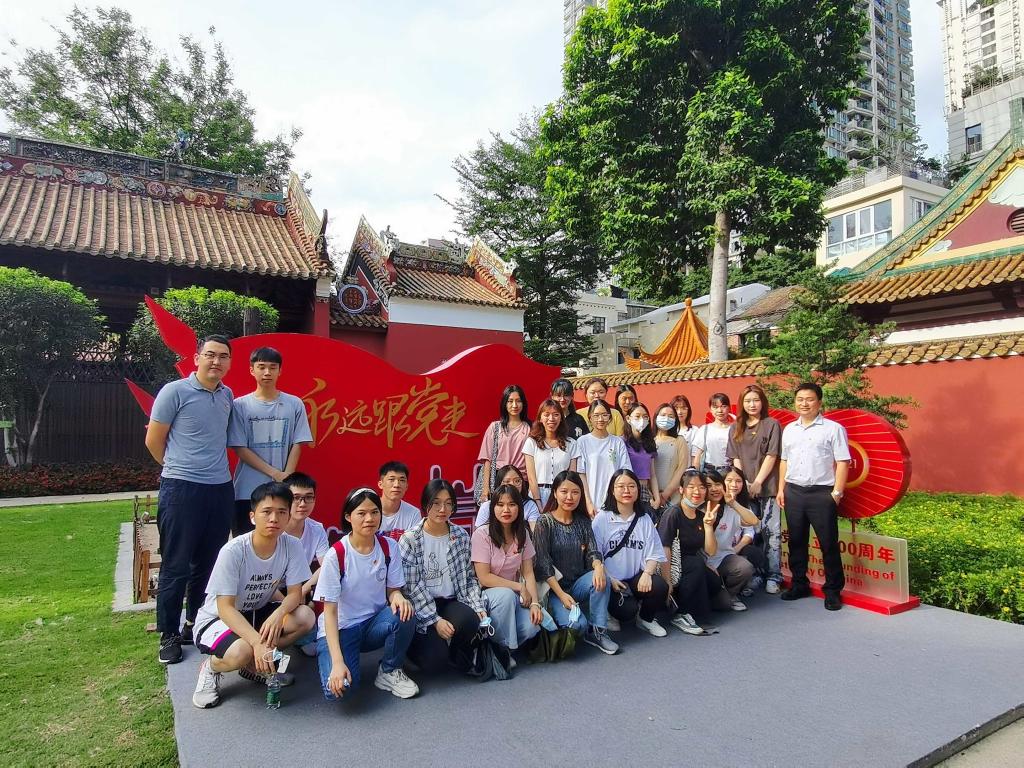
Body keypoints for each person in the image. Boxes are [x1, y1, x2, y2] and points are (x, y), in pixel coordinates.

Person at [145, 334, 236, 664]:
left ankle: (195, 624)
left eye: (223, 356)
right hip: (181, 489)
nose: (216, 361)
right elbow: (154, 440)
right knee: (176, 564)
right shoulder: (174, 392)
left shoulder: (227, 395)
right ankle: (168, 633)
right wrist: (176, 468)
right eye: (210, 355)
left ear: (229, 363)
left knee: (208, 564)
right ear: (197, 358)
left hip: (220, 488)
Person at [191, 482, 315, 709]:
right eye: (266, 512)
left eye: (281, 512)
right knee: (242, 651)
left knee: (305, 617)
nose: (274, 519)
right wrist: (257, 642)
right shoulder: (234, 551)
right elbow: (225, 608)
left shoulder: (292, 545)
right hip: (218, 619)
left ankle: (255, 666)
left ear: (288, 516)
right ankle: (211, 668)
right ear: (252, 516)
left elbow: (295, 594)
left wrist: (278, 614)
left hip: (257, 612)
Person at [314, 487, 419, 701]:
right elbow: (330, 613)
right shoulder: (337, 555)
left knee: (405, 612)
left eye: (374, 512)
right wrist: (337, 663)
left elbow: (393, 590)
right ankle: (336, 658)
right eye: (361, 513)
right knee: (339, 691)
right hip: (341, 628)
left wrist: (398, 596)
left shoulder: (389, 547)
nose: (369, 519)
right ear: (348, 516)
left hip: (373, 624)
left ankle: (389, 670)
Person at [400, 479, 488, 673]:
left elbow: (468, 578)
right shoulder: (410, 539)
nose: (443, 509)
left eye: (448, 503)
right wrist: (435, 620)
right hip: (421, 605)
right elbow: (412, 588)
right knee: (434, 661)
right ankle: (409, 650)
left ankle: (459, 654)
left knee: (470, 620)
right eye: (436, 503)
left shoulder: (460, 536)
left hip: (449, 601)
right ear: (425, 504)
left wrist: (477, 606)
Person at [777, 382, 851, 611]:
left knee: (828, 543)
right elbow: (784, 460)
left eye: (809, 399)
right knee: (796, 541)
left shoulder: (833, 429)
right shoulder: (789, 429)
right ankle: (799, 584)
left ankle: (833, 590)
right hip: (794, 491)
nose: (804, 404)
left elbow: (843, 462)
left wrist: (837, 493)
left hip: (821, 493)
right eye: (800, 399)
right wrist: (781, 489)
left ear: (819, 402)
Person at [228, 346, 314, 537]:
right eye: (261, 367)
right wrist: (275, 473)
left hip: (283, 491)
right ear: (252, 370)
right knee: (246, 542)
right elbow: (240, 448)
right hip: (247, 491)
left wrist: (287, 477)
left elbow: (298, 442)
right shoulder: (240, 405)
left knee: (280, 542)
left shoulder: (294, 404)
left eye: (272, 367)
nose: (267, 372)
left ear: (280, 370)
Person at [532, 470, 619, 654]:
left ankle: (598, 630)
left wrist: (598, 566)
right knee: (577, 626)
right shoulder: (544, 522)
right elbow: (543, 565)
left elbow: (593, 552)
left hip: (578, 585)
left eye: (575, 492)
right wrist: (562, 595)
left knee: (601, 577)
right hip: (554, 591)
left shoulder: (583, 521)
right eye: (564, 492)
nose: (569, 497)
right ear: (555, 493)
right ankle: (576, 618)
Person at [592, 469, 669, 637]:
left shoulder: (644, 519)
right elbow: (594, 555)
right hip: (611, 580)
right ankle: (610, 612)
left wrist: (647, 573)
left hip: (635, 577)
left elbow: (654, 552)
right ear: (612, 490)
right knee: (627, 611)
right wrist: (609, 578)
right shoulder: (602, 519)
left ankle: (645, 619)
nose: (626, 490)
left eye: (631, 486)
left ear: (638, 490)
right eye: (621, 486)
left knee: (660, 586)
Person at [471, 485, 545, 653]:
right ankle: (504, 651)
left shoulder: (522, 534)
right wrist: (519, 587)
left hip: (512, 597)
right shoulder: (482, 534)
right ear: (493, 508)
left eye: (512, 504)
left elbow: (528, 572)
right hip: (485, 595)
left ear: (519, 507)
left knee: (532, 627)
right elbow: (484, 578)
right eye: (500, 504)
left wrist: (535, 603)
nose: (506, 510)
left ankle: (497, 642)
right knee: (506, 595)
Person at [726, 384, 783, 594]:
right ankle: (756, 574)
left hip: (768, 487)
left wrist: (758, 482)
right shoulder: (735, 427)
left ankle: (774, 575)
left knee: (771, 532)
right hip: (743, 489)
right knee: (750, 532)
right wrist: (742, 482)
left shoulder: (771, 424)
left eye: (756, 400)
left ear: (763, 402)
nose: (752, 404)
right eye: (748, 401)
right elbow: (735, 458)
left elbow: (772, 455)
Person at [658, 469, 725, 635]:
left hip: (690, 566)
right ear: (682, 490)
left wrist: (708, 527)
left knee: (714, 581)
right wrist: (667, 582)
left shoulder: (701, 516)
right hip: (669, 564)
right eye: (691, 487)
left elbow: (710, 551)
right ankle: (683, 613)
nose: (697, 491)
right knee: (696, 564)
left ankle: (691, 607)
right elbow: (664, 548)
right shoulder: (673, 513)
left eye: (701, 487)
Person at [282, 471, 329, 657]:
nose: (302, 504)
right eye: (296, 498)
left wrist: (303, 589)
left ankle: (305, 635)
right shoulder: (274, 528)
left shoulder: (316, 528)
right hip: (271, 590)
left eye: (308, 497)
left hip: (299, 587)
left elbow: (326, 566)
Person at [704, 468, 762, 611]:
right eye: (709, 486)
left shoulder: (732, 508)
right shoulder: (699, 509)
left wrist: (733, 503)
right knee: (718, 604)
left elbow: (754, 521)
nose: (714, 489)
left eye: (718, 484)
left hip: (724, 558)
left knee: (744, 567)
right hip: (702, 562)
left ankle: (731, 593)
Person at [577, 399, 631, 518]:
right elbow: (581, 474)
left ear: (609, 417)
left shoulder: (617, 442)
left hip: (615, 501)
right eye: (596, 415)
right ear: (590, 418)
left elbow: (625, 471)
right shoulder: (582, 442)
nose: (600, 419)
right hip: (592, 501)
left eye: (604, 415)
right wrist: (588, 502)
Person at [476, 385, 531, 500]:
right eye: (510, 401)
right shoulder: (495, 427)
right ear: (504, 403)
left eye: (518, 401)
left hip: (521, 481)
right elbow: (487, 460)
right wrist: (485, 489)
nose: (514, 405)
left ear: (523, 403)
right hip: (499, 480)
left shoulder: (530, 428)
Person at [523, 399, 579, 508]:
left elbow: (572, 476)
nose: (551, 419)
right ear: (540, 418)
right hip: (537, 494)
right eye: (546, 414)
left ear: (561, 418)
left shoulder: (571, 443)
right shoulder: (531, 442)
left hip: (562, 495)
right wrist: (537, 502)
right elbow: (531, 478)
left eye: (556, 414)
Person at [474, 465, 542, 529]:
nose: (513, 485)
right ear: (498, 485)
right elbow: (478, 534)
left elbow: (535, 533)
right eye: (507, 481)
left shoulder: (530, 505)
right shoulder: (487, 506)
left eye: (517, 481)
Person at [653, 402, 690, 511]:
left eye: (671, 416)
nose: (666, 419)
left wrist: (665, 495)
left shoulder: (679, 440)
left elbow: (681, 469)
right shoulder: (649, 441)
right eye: (663, 415)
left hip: (673, 498)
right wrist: (654, 495)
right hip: (652, 498)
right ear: (656, 417)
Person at [623, 403, 660, 507]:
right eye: (637, 416)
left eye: (645, 417)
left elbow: (652, 474)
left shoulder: (649, 443)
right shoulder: (622, 442)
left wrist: (657, 498)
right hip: (628, 490)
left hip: (645, 490)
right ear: (628, 419)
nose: (642, 420)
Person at [377, 461, 423, 540]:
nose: (396, 485)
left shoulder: (413, 513)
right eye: (391, 479)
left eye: (402, 480)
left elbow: (413, 544)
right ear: (380, 484)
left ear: (406, 486)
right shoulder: (369, 510)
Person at [691, 393, 733, 473]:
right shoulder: (705, 429)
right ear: (710, 409)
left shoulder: (734, 429)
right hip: (709, 472)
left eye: (723, 406)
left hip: (729, 472)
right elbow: (698, 455)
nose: (720, 410)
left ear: (729, 408)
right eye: (715, 407)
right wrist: (696, 474)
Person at [671, 395, 699, 459]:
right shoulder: (667, 430)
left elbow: (694, 456)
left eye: (683, 408)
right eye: (676, 408)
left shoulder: (694, 430)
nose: (680, 412)